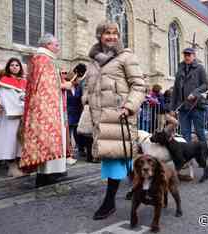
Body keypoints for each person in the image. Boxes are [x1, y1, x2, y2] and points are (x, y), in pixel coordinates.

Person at [83, 21, 146, 220]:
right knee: (125, 159)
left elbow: (139, 85)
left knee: (115, 158)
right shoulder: (93, 61)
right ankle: (142, 189)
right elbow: (90, 85)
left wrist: (129, 106)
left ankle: (109, 202)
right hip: (100, 118)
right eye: (107, 33)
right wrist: (86, 97)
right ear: (99, 36)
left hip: (120, 116)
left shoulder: (126, 56)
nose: (111, 37)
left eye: (115, 33)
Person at [20, 34, 73, 187]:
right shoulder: (43, 60)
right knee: (48, 139)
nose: (58, 47)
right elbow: (46, 87)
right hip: (46, 108)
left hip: (47, 106)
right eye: (56, 44)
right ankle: (48, 175)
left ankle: (51, 173)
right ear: (48, 45)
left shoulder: (41, 59)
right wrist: (64, 86)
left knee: (50, 139)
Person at [170, 47, 208, 143]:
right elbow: (176, 89)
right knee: (184, 133)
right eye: (185, 55)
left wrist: (195, 93)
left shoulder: (200, 68)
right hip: (183, 106)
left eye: (189, 55)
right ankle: (187, 155)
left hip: (196, 106)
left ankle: (204, 153)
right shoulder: (180, 69)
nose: (187, 57)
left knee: (199, 131)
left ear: (194, 56)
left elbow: (206, 84)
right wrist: (172, 108)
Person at [0, 58, 27, 177]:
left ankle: (18, 165)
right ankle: (11, 167)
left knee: (19, 141)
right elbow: (7, 100)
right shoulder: (4, 81)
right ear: (8, 67)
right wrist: (23, 102)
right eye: (12, 65)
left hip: (22, 116)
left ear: (20, 68)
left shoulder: (23, 81)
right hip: (10, 116)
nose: (14, 67)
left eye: (17, 65)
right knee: (10, 140)